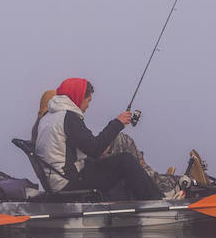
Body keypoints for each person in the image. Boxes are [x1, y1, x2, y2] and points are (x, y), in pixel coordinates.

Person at [32, 77, 163, 200]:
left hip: (56, 179)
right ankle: (158, 201)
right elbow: (95, 149)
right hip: (68, 181)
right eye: (88, 100)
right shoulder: (68, 117)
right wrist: (117, 123)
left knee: (109, 162)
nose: (88, 105)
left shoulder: (48, 117)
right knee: (125, 160)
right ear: (78, 98)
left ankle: (143, 196)